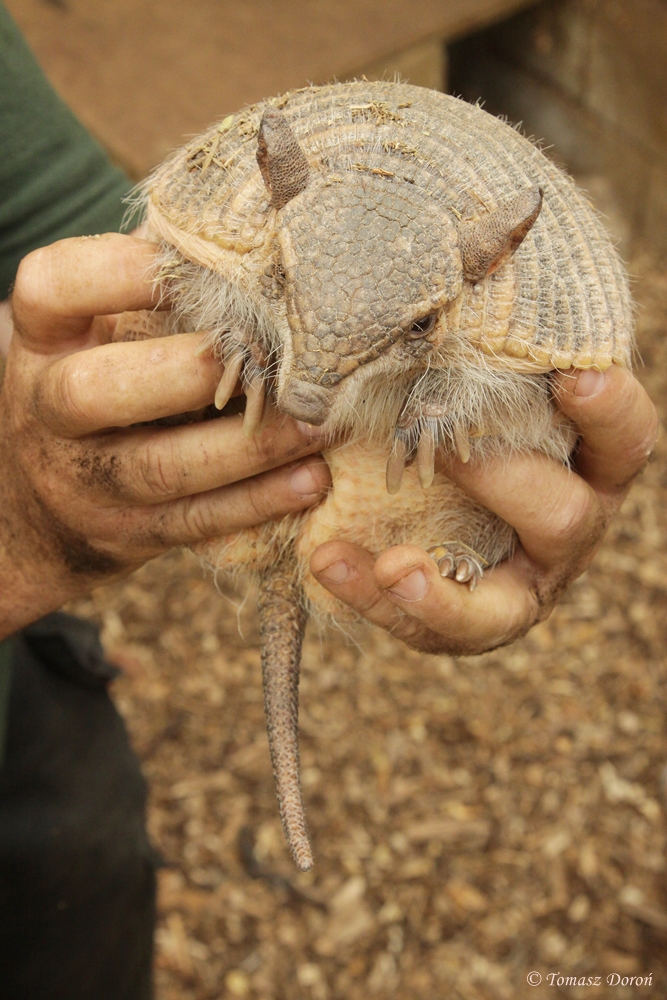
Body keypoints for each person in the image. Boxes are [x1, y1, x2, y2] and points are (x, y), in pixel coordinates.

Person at [0, 4, 658, 999]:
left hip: (36, 749)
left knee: (86, 862)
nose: (309, 394)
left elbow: (121, 248)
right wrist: (19, 533)